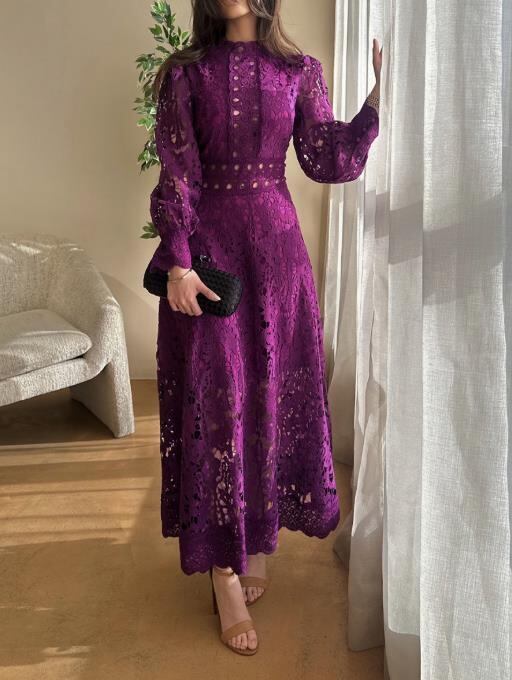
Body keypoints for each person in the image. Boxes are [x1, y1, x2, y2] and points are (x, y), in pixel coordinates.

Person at [147, 0, 381, 656]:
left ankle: (253, 537)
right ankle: (222, 573)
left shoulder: (300, 70)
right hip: (211, 259)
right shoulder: (184, 72)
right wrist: (179, 263)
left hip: (279, 256)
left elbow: (324, 158)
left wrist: (375, 104)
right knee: (218, 402)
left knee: (269, 396)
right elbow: (178, 174)